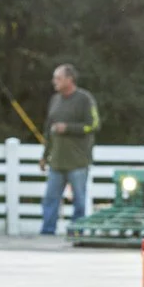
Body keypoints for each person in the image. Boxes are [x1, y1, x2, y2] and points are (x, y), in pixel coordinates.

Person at [39, 63, 99, 234]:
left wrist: (68, 128)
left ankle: (77, 232)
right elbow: (48, 129)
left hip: (78, 161)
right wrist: (45, 155)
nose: (54, 82)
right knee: (50, 199)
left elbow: (93, 125)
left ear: (69, 79)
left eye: (58, 78)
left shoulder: (84, 99)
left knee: (79, 200)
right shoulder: (55, 100)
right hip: (56, 161)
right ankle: (47, 231)